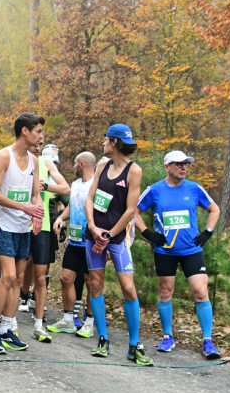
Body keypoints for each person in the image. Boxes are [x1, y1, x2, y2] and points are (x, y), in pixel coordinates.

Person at [135, 150, 222, 359]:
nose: (183, 167)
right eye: (179, 164)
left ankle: (208, 341)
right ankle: (168, 336)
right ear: (167, 167)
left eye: (186, 164)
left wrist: (207, 233)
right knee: (165, 292)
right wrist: (147, 233)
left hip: (192, 249)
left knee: (201, 292)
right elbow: (134, 212)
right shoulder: (154, 190)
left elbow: (215, 209)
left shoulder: (194, 188)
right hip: (165, 251)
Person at [84, 123, 153, 366]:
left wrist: (108, 235)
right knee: (95, 284)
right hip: (93, 234)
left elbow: (131, 211)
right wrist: (93, 228)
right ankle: (102, 339)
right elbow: (90, 197)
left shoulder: (135, 171)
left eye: (105, 140)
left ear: (114, 142)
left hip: (116, 237)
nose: (103, 144)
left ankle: (134, 345)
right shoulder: (102, 165)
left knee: (128, 288)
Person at [0, 113, 47, 354]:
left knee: (19, 279)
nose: (41, 136)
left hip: (23, 226)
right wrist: (23, 207)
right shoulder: (3, 156)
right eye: (38, 131)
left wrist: (36, 211)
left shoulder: (34, 160)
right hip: (3, 225)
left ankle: (8, 329)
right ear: (25, 132)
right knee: (7, 276)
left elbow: (35, 193)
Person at [50, 151, 97, 336]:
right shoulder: (76, 184)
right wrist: (61, 218)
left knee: (91, 282)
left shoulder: (96, 185)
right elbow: (71, 206)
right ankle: (68, 320)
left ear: (82, 164)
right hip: (75, 241)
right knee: (66, 278)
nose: (73, 167)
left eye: (75, 164)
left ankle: (90, 322)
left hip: (91, 242)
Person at [28, 141, 70, 342]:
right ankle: (8, 321)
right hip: (19, 224)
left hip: (43, 226)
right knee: (14, 275)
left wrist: (45, 186)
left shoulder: (46, 162)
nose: (37, 145)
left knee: (40, 276)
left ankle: (38, 324)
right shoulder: (14, 159)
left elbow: (66, 189)